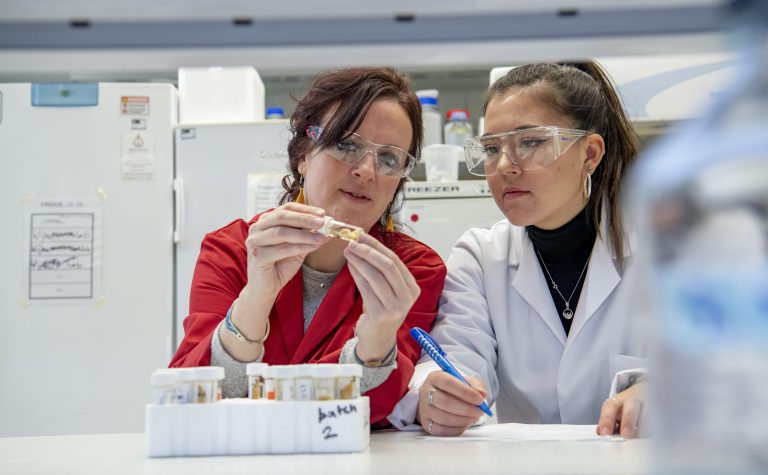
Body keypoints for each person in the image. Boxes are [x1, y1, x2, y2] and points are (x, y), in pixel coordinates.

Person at [170, 67, 446, 427]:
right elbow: (191, 393)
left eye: (390, 159)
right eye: (346, 145)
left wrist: (377, 343)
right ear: (303, 153)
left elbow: (378, 406)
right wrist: (256, 299)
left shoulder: (412, 269)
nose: (367, 171)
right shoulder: (233, 249)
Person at [388, 61, 648, 438]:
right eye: (492, 148)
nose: (505, 166)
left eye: (531, 142)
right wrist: (437, 393)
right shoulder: (480, 256)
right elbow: (455, 358)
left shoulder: (669, 248)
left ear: (590, 154)